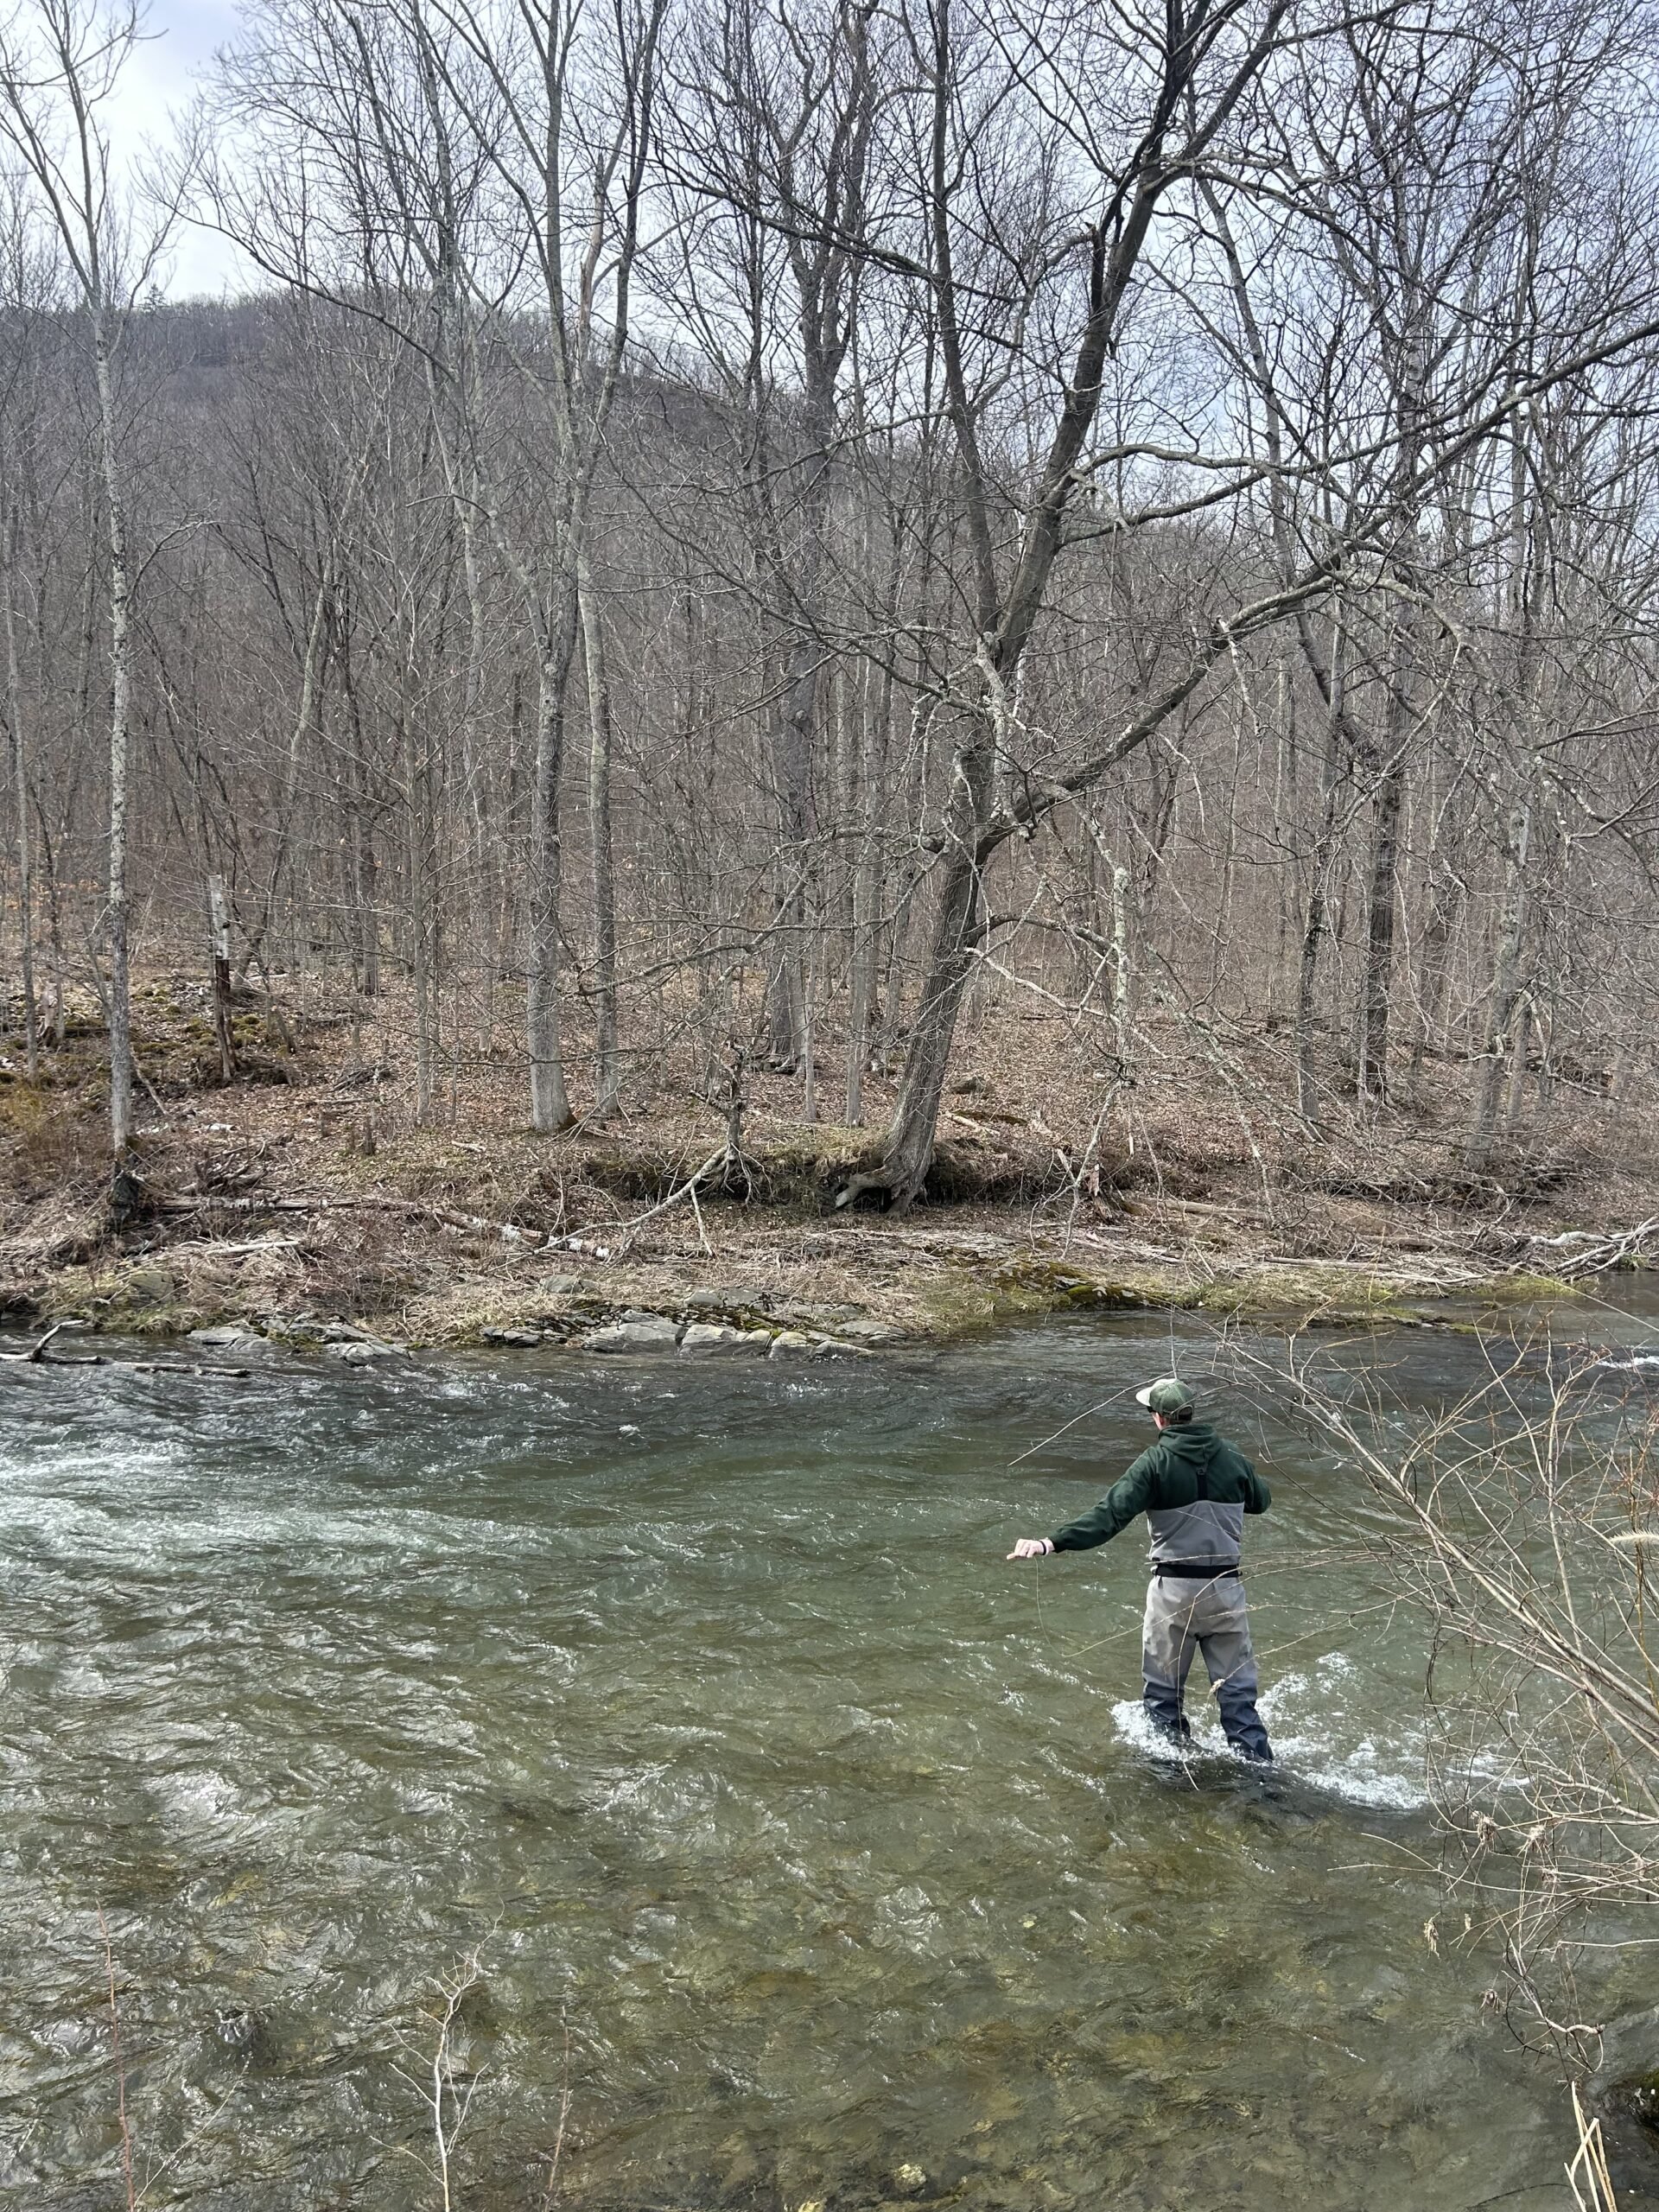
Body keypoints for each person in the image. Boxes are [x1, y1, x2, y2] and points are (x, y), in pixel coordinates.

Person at [1007, 1376, 1273, 1762]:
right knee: (1238, 1696)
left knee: (1163, 1698)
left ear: (1159, 1419)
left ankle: (1169, 1781)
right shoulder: (1232, 1457)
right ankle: (1260, 1780)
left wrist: (1051, 1543)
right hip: (1227, 1590)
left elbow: (1108, 1517)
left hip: (1174, 1594)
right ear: (1190, 1413)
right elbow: (1261, 1501)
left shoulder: (1154, 1464)